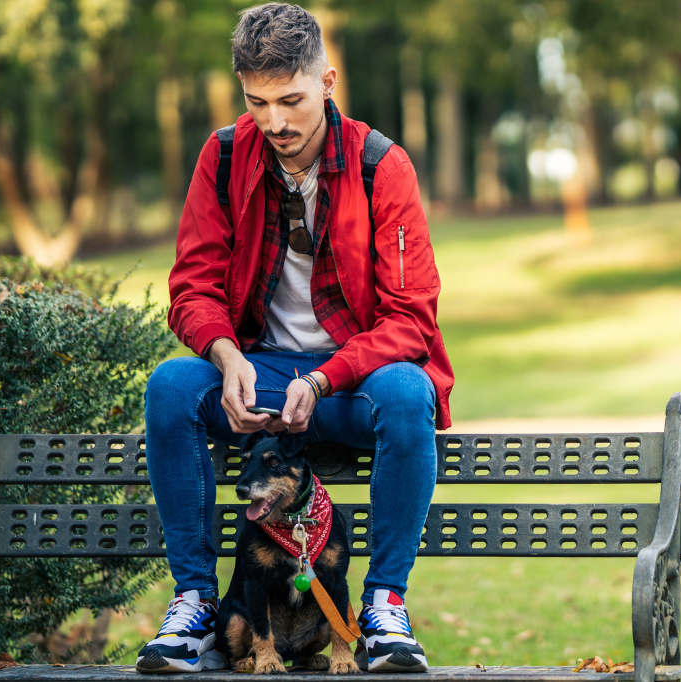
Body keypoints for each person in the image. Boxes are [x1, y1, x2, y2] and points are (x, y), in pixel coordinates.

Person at [134, 2, 452, 674]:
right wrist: (224, 358)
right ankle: (194, 606)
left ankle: (385, 608)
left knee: (407, 394)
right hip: (259, 374)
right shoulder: (222, 157)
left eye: (292, 100)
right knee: (170, 388)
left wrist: (323, 377)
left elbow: (412, 317)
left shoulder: (379, 165)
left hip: (351, 381)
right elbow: (192, 286)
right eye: (257, 103)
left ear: (327, 82)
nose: (275, 122)